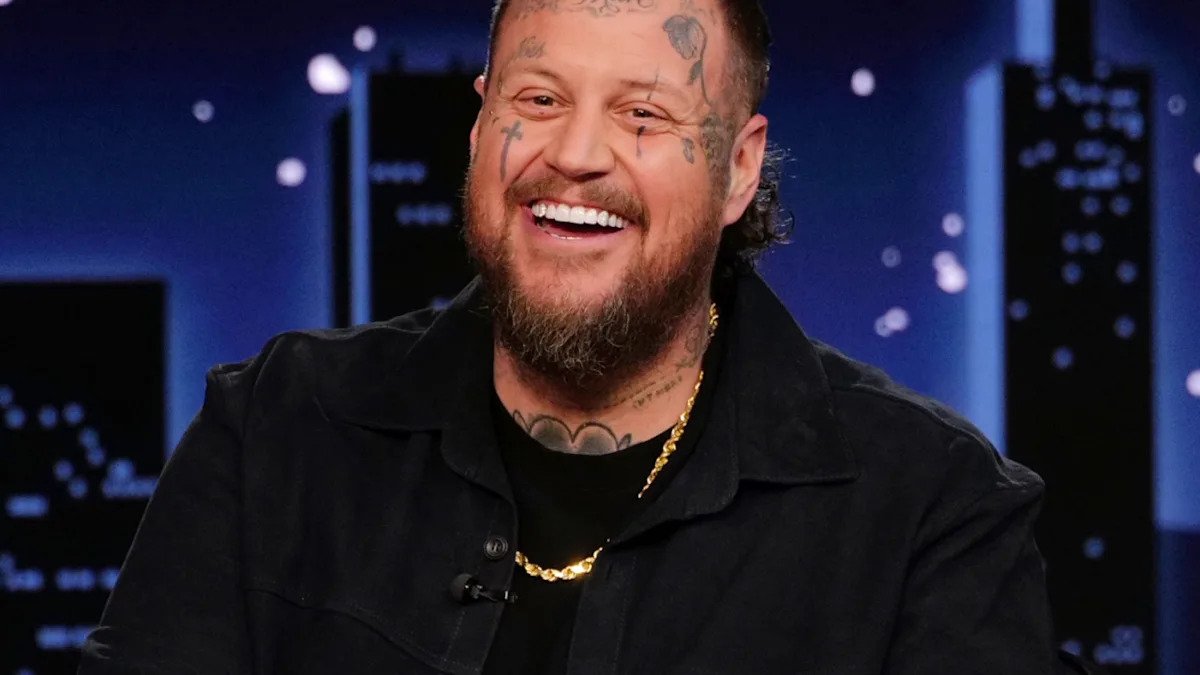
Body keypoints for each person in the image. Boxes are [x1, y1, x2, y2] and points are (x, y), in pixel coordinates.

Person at [81, 0, 1058, 672]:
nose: (577, 154)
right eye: (540, 100)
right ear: (480, 130)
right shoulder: (276, 430)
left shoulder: (933, 510)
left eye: (643, 114)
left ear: (737, 169)